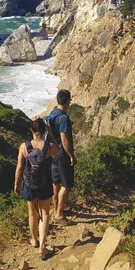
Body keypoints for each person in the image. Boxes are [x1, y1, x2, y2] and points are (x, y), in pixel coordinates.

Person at [14, 118, 59, 259]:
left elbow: (20, 167)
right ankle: (42, 247)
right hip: (44, 184)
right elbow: (58, 149)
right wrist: (50, 133)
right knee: (45, 213)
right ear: (45, 130)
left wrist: (16, 184)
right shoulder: (48, 146)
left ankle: (34, 240)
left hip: (29, 185)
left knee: (32, 213)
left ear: (31, 131)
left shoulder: (24, 146)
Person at [48, 89, 76, 223]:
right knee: (66, 185)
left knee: (56, 182)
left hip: (53, 154)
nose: (71, 101)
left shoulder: (52, 113)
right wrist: (71, 155)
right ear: (67, 100)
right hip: (62, 155)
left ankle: (56, 209)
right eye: (70, 99)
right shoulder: (63, 118)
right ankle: (59, 214)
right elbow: (64, 139)